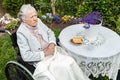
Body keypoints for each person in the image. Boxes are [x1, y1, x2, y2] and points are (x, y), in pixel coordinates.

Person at [17, 4, 90, 80]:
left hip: (53, 51)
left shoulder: (38, 21)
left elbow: (50, 32)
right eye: (32, 17)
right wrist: (45, 53)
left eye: (35, 15)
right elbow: (26, 56)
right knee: (64, 68)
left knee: (70, 61)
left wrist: (52, 43)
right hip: (41, 60)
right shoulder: (21, 33)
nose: (35, 18)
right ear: (24, 19)